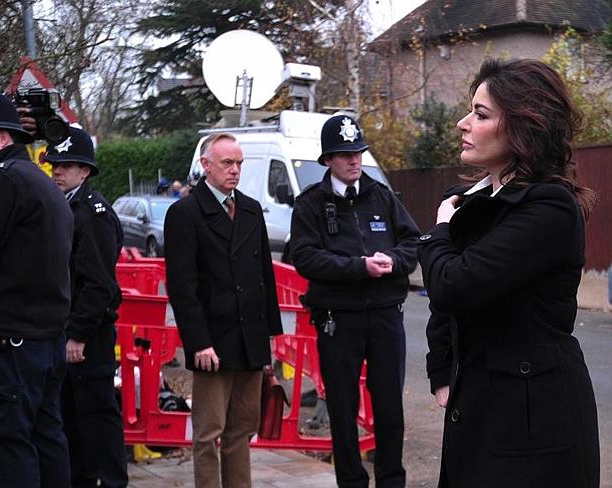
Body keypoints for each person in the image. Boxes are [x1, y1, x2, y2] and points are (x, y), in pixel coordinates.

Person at [418, 58, 599, 488]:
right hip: (480, 407)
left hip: (533, 424)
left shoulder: (549, 207)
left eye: (480, 114)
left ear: (522, 127)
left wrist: (439, 229)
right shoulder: (473, 200)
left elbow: (452, 284)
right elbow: (448, 310)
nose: (463, 123)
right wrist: (441, 371)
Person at [290, 114, 420, 488]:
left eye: (358, 152)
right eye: (345, 154)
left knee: (389, 407)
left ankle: (392, 480)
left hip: (384, 317)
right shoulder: (311, 204)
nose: (354, 160)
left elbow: (412, 242)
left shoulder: (381, 196)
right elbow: (306, 257)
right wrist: (358, 267)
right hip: (338, 319)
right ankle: (351, 481)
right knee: (343, 409)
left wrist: (393, 261)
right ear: (328, 159)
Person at [0, 91, 73, 488]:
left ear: (3, 138)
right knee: (46, 442)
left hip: (8, 346)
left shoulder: (3, 182)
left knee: (6, 448)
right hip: (44, 341)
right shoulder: (41, 184)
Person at [164, 132, 283, 488]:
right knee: (208, 433)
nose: (235, 170)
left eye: (239, 164)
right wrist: (198, 342)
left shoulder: (249, 209)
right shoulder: (185, 213)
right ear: (206, 166)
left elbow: (264, 276)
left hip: (250, 339)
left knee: (242, 431)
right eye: (227, 163)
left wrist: (268, 342)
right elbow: (182, 288)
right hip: (213, 342)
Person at [44, 127, 129, 488]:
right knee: (72, 420)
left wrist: (78, 334)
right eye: (55, 164)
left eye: (67, 165)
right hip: (66, 331)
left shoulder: (92, 214)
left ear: (85, 171)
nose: (58, 171)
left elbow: (98, 284)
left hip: (87, 336)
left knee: (97, 418)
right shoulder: (63, 206)